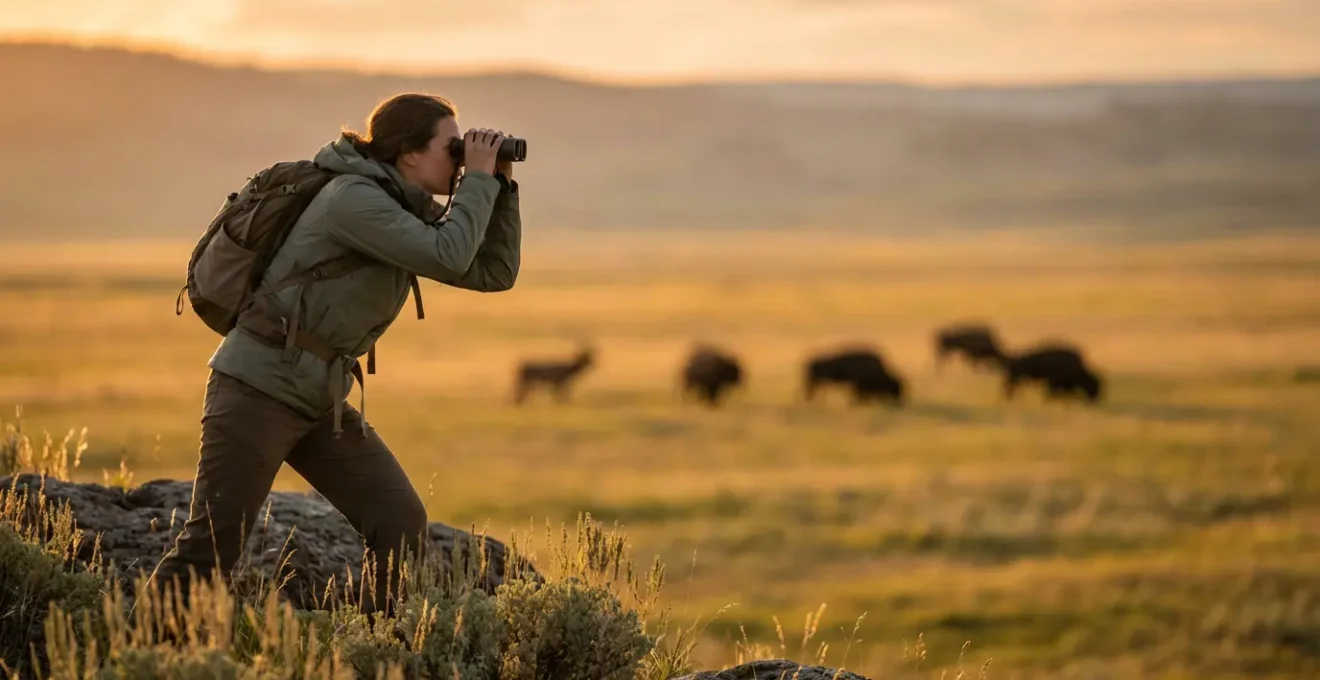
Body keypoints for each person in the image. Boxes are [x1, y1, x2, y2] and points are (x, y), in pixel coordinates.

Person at [146, 93, 521, 616]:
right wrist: (477, 180)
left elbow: (491, 273)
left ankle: (368, 651)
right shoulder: (354, 201)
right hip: (259, 387)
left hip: (318, 398)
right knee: (212, 544)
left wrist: (499, 184)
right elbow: (450, 252)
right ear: (410, 154)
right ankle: (132, 658)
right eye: (452, 148)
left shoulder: (398, 210)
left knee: (397, 522)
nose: (460, 161)